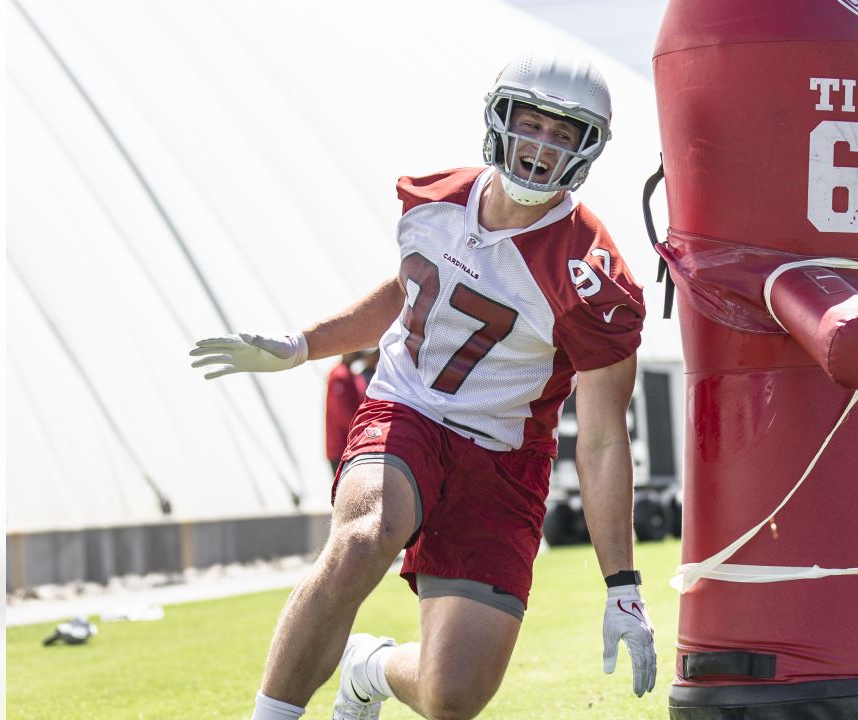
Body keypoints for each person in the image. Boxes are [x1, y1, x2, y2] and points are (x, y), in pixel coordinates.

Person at [190, 51, 655, 720]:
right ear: (500, 119)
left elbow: (606, 439)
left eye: (564, 133)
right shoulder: (435, 200)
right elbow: (408, 292)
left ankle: (368, 668)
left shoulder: (593, 277)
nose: (541, 147)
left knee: (452, 695)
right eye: (532, 124)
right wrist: (302, 346)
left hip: (503, 459)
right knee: (364, 536)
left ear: (588, 149)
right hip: (407, 409)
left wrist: (622, 584)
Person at [326, 349, 378, 477]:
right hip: (341, 448)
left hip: (352, 448)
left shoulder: (353, 376)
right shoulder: (340, 374)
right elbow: (344, 416)